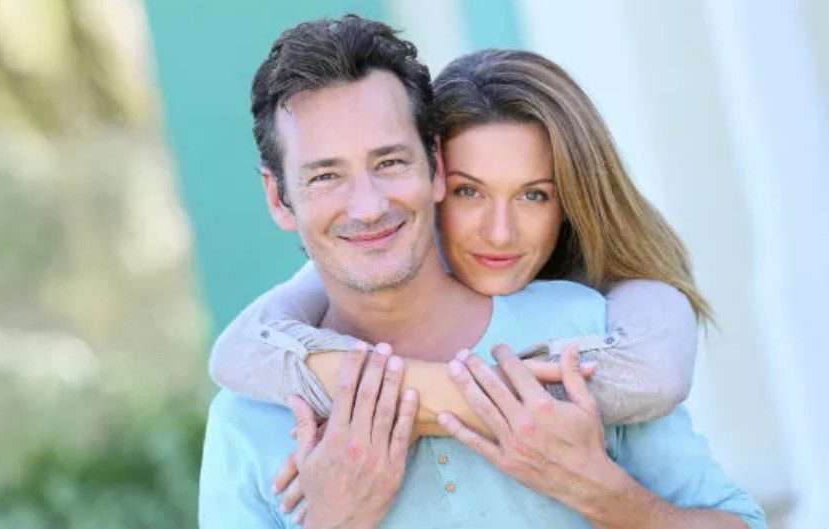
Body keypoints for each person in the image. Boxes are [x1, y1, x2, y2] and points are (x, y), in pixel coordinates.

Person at [198, 14, 764, 529]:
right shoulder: (245, 422)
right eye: (325, 177)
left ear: (435, 166)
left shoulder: (586, 330)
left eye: (389, 162)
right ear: (278, 198)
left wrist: (603, 494)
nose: (368, 207)